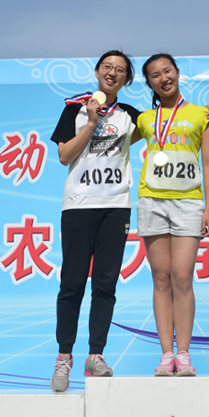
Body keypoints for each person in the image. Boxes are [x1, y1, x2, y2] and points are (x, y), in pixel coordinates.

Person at [49, 50, 140, 392]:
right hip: (78, 206)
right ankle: (63, 357)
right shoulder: (74, 109)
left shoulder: (130, 116)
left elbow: (164, 126)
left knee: (105, 284)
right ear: (97, 71)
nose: (112, 73)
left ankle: (95, 355)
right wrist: (90, 122)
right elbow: (64, 156)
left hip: (115, 207)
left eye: (120, 70)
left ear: (127, 80)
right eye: (107, 67)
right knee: (72, 283)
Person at [137, 53, 209, 377]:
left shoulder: (202, 115)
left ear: (178, 72)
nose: (163, 78)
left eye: (167, 70)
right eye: (155, 75)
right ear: (149, 83)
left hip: (188, 202)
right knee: (160, 278)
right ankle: (165, 353)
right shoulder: (144, 119)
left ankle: (183, 353)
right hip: (152, 200)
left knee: (182, 277)